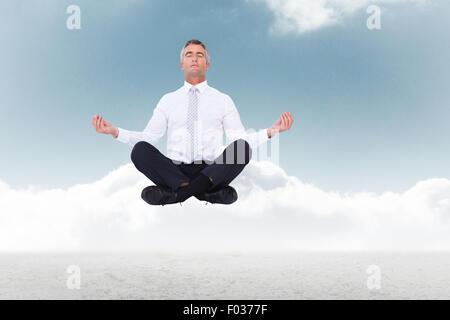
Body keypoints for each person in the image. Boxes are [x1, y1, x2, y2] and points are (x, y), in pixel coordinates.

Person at [92, 39, 294, 205]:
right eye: (189, 55)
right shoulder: (168, 100)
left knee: (241, 149)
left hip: (210, 170)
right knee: (140, 150)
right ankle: (204, 193)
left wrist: (271, 131)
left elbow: (239, 140)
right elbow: (149, 137)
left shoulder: (223, 100)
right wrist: (114, 131)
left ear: (207, 64)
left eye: (200, 55)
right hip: (174, 171)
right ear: (182, 65)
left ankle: (176, 195)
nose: (194, 58)